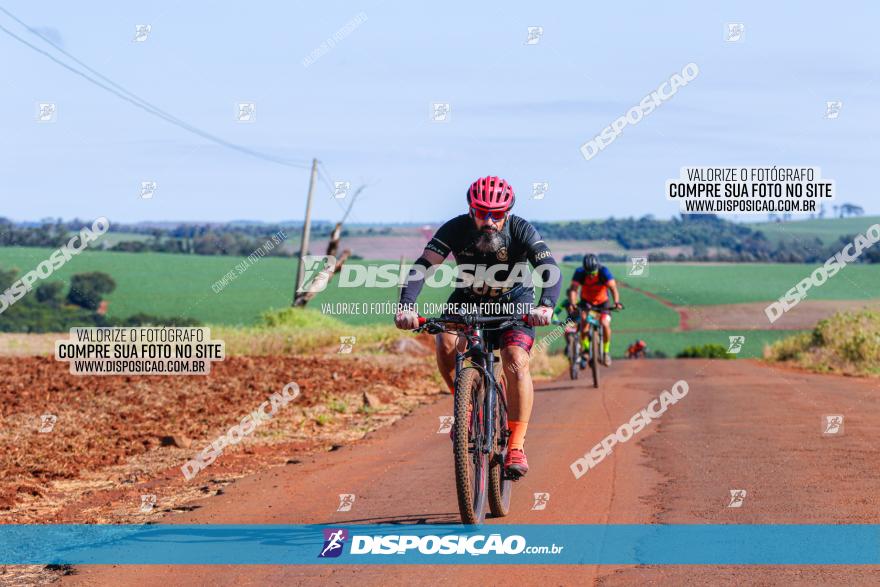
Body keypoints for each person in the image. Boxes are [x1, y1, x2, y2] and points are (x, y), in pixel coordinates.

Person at [394, 176, 561, 478]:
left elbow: (549, 269)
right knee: (444, 342)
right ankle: (465, 407)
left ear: (507, 213)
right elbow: (424, 265)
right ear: (471, 210)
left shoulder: (521, 229)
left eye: (497, 214)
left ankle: (517, 444)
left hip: (515, 303)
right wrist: (406, 305)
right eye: (482, 212)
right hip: (468, 298)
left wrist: (546, 305)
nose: (489, 220)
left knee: (515, 360)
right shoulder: (455, 228)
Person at [568, 253, 622, 367]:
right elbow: (573, 289)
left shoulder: (604, 272)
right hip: (587, 303)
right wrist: (573, 303)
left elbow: (613, 288)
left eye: (594, 273)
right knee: (584, 322)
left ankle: (606, 351)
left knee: (604, 323)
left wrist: (616, 302)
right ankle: (586, 350)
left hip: (603, 303)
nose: (591, 276)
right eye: (589, 273)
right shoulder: (579, 272)